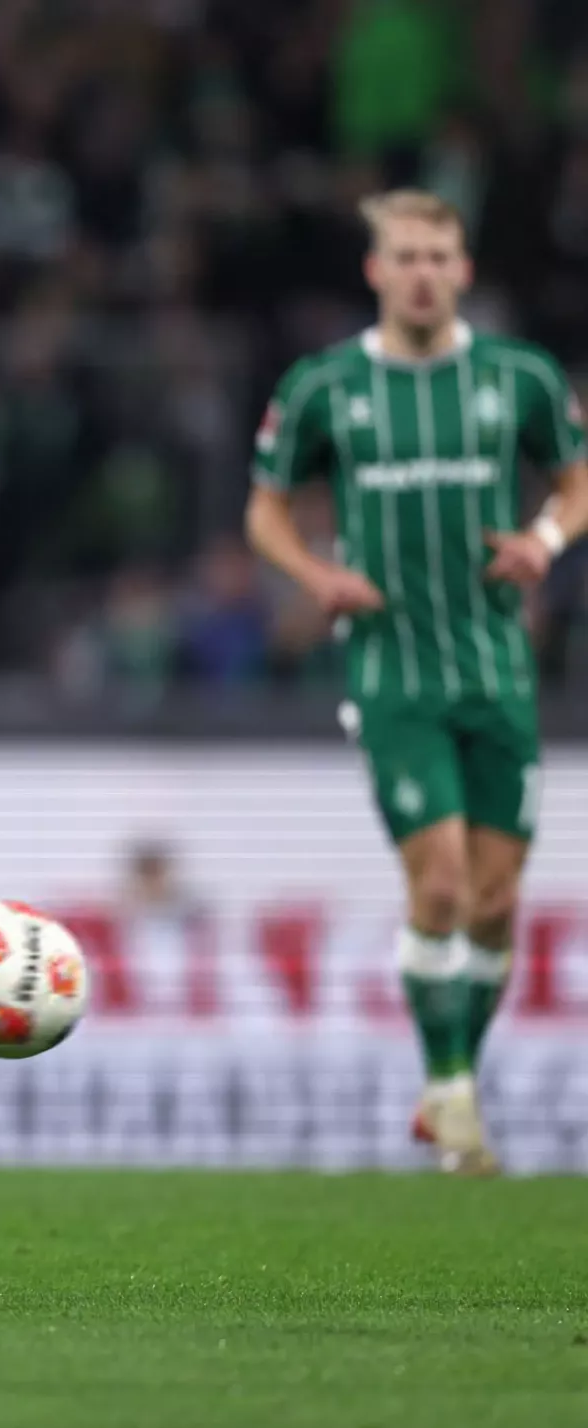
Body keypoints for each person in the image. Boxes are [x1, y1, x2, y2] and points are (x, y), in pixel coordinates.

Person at [244, 191, 588, 1174]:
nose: (423, 273)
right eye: (405, 256)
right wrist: (315, 575)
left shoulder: (518, 377)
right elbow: (263, 510)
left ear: (464, 269)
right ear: (375, 271)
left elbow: (575, 481)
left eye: (439, 256)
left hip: (496, 670)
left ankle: (450, 1087)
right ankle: (451, 1095)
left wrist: (544, 539)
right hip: (392, 671)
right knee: (437, 883)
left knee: (493, 903)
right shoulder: (324, 387)